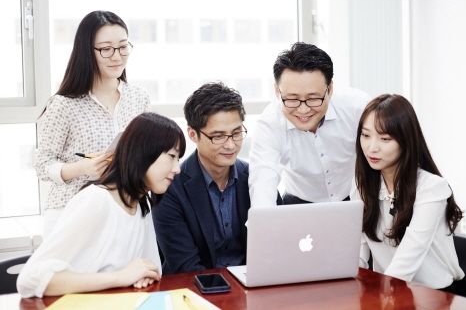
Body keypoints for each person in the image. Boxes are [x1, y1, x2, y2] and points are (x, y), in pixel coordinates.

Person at [17, 112, 186, 298]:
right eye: (171, 156)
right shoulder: (96, 200)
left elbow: (149, 268)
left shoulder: (140, 205)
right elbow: (29, 279)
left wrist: (142, 276)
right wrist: (121, 277)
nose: (177, 168)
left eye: (178, 159)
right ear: (142, 153)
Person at [35, 10, 150, 237]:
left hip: (124, 209)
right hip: (72, 213)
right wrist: (83, 168)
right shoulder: (63, 104)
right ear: (87, 52)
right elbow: (42, 164)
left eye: (123, 46)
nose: (117, 56)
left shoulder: (139, 98)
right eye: (106, 49)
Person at [350, 94, 464, 289]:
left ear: (406, 141)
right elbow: (358, 251)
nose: (372, 147)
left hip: (433, 294)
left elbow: (410, 255)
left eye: (385, 138)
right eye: (366, 135)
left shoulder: (431, 188)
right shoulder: (362, 184)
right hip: (386, 288)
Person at [249, 42, 370, 206]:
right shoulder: (269, 124)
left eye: (313, 99)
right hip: (298, 201)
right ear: (277, 92)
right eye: (292, 99)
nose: (303, 110)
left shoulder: (358, 107)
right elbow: (262, 182)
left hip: (355, 196)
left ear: (330, 89)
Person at [152, 82, 251, 274]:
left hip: (252, 286)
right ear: (193, 134)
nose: (231, 145)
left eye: (236, 133)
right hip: (196, 290)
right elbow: (185, 267)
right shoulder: (170, 188)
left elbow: (276, 250)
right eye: (218, 136)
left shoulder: (256, 179)